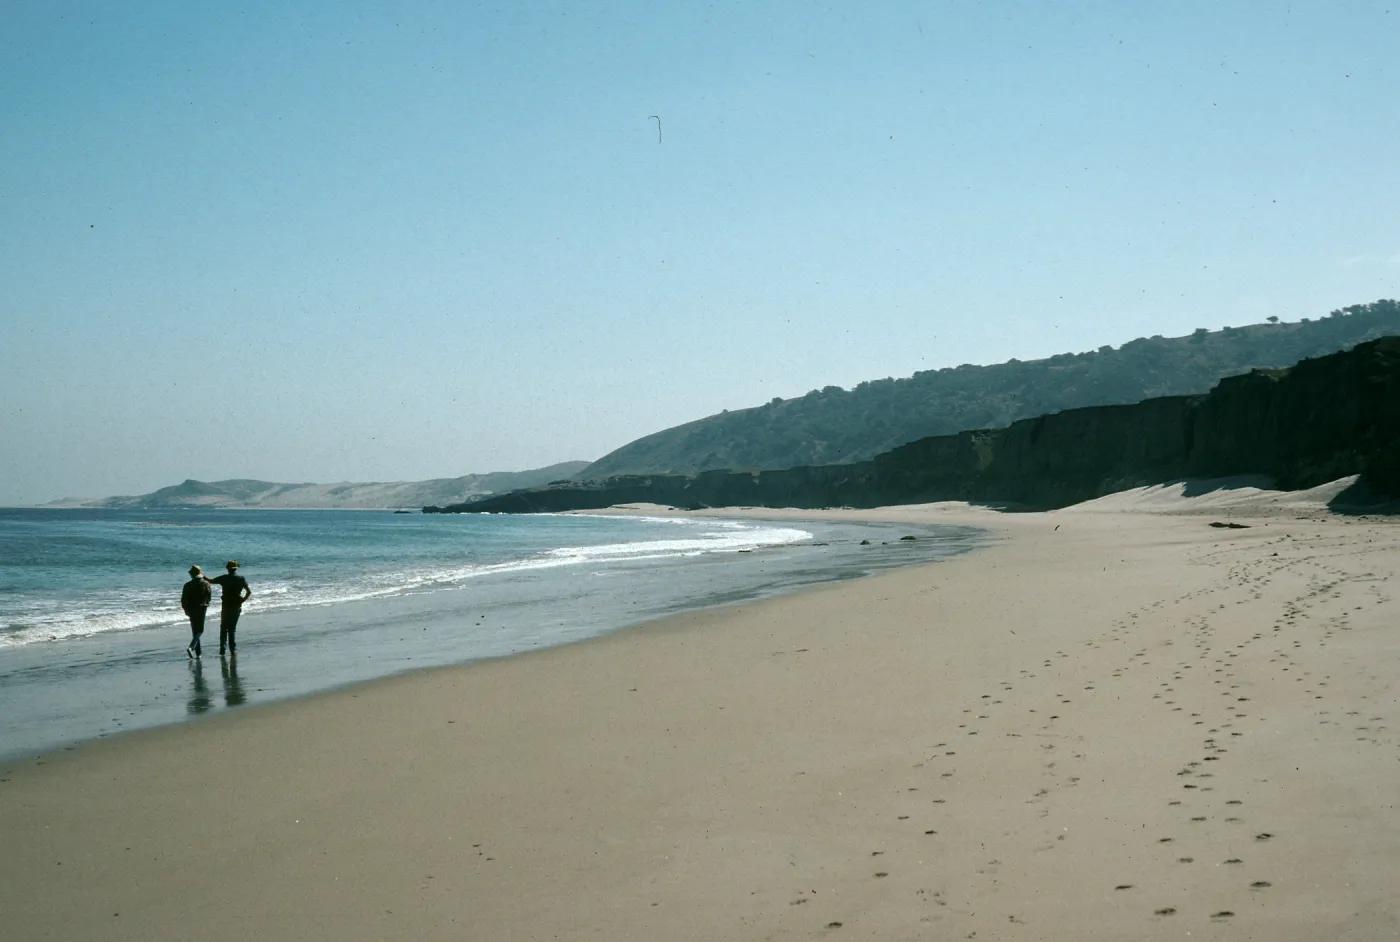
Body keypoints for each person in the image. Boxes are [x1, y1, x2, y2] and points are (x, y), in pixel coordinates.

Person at [209, 560, 252, 656]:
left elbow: (210, 581)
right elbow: (249, 592)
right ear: (236, 568)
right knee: (232, 629)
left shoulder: (224, 578)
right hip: (236, 604)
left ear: (227, 569)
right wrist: (242, 600)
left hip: (226, 605)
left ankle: (222, 648)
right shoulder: (241, 578)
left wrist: (202, 575)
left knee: (223, 627)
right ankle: (233, 650)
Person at [180, 565, 212, 658]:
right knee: (200, 630)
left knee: (195, 630)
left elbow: (183, 600)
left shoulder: (187, 585)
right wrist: (207, 603)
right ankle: (192, 647)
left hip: (191, 609)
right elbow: (209, 597)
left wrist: (186, 610)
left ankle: (198, 653)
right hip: (202, 608)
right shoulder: (206, 583)